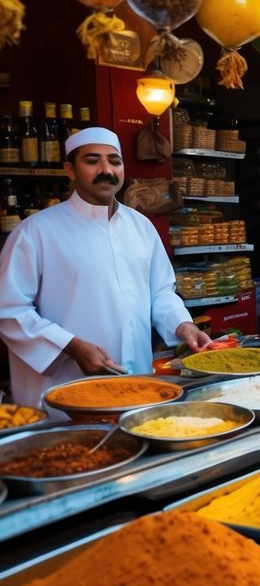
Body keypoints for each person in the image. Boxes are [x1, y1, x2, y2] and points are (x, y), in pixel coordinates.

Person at [0, 127, 209, 410]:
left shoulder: (141, 226)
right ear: (69, 170)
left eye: (114, 161)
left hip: (135, 380)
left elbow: (160, 291)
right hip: (64, 392)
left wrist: (182, 325)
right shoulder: (35, 232)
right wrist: (70, 346)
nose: (106, 170)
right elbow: (9, 310)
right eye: (92, 161)